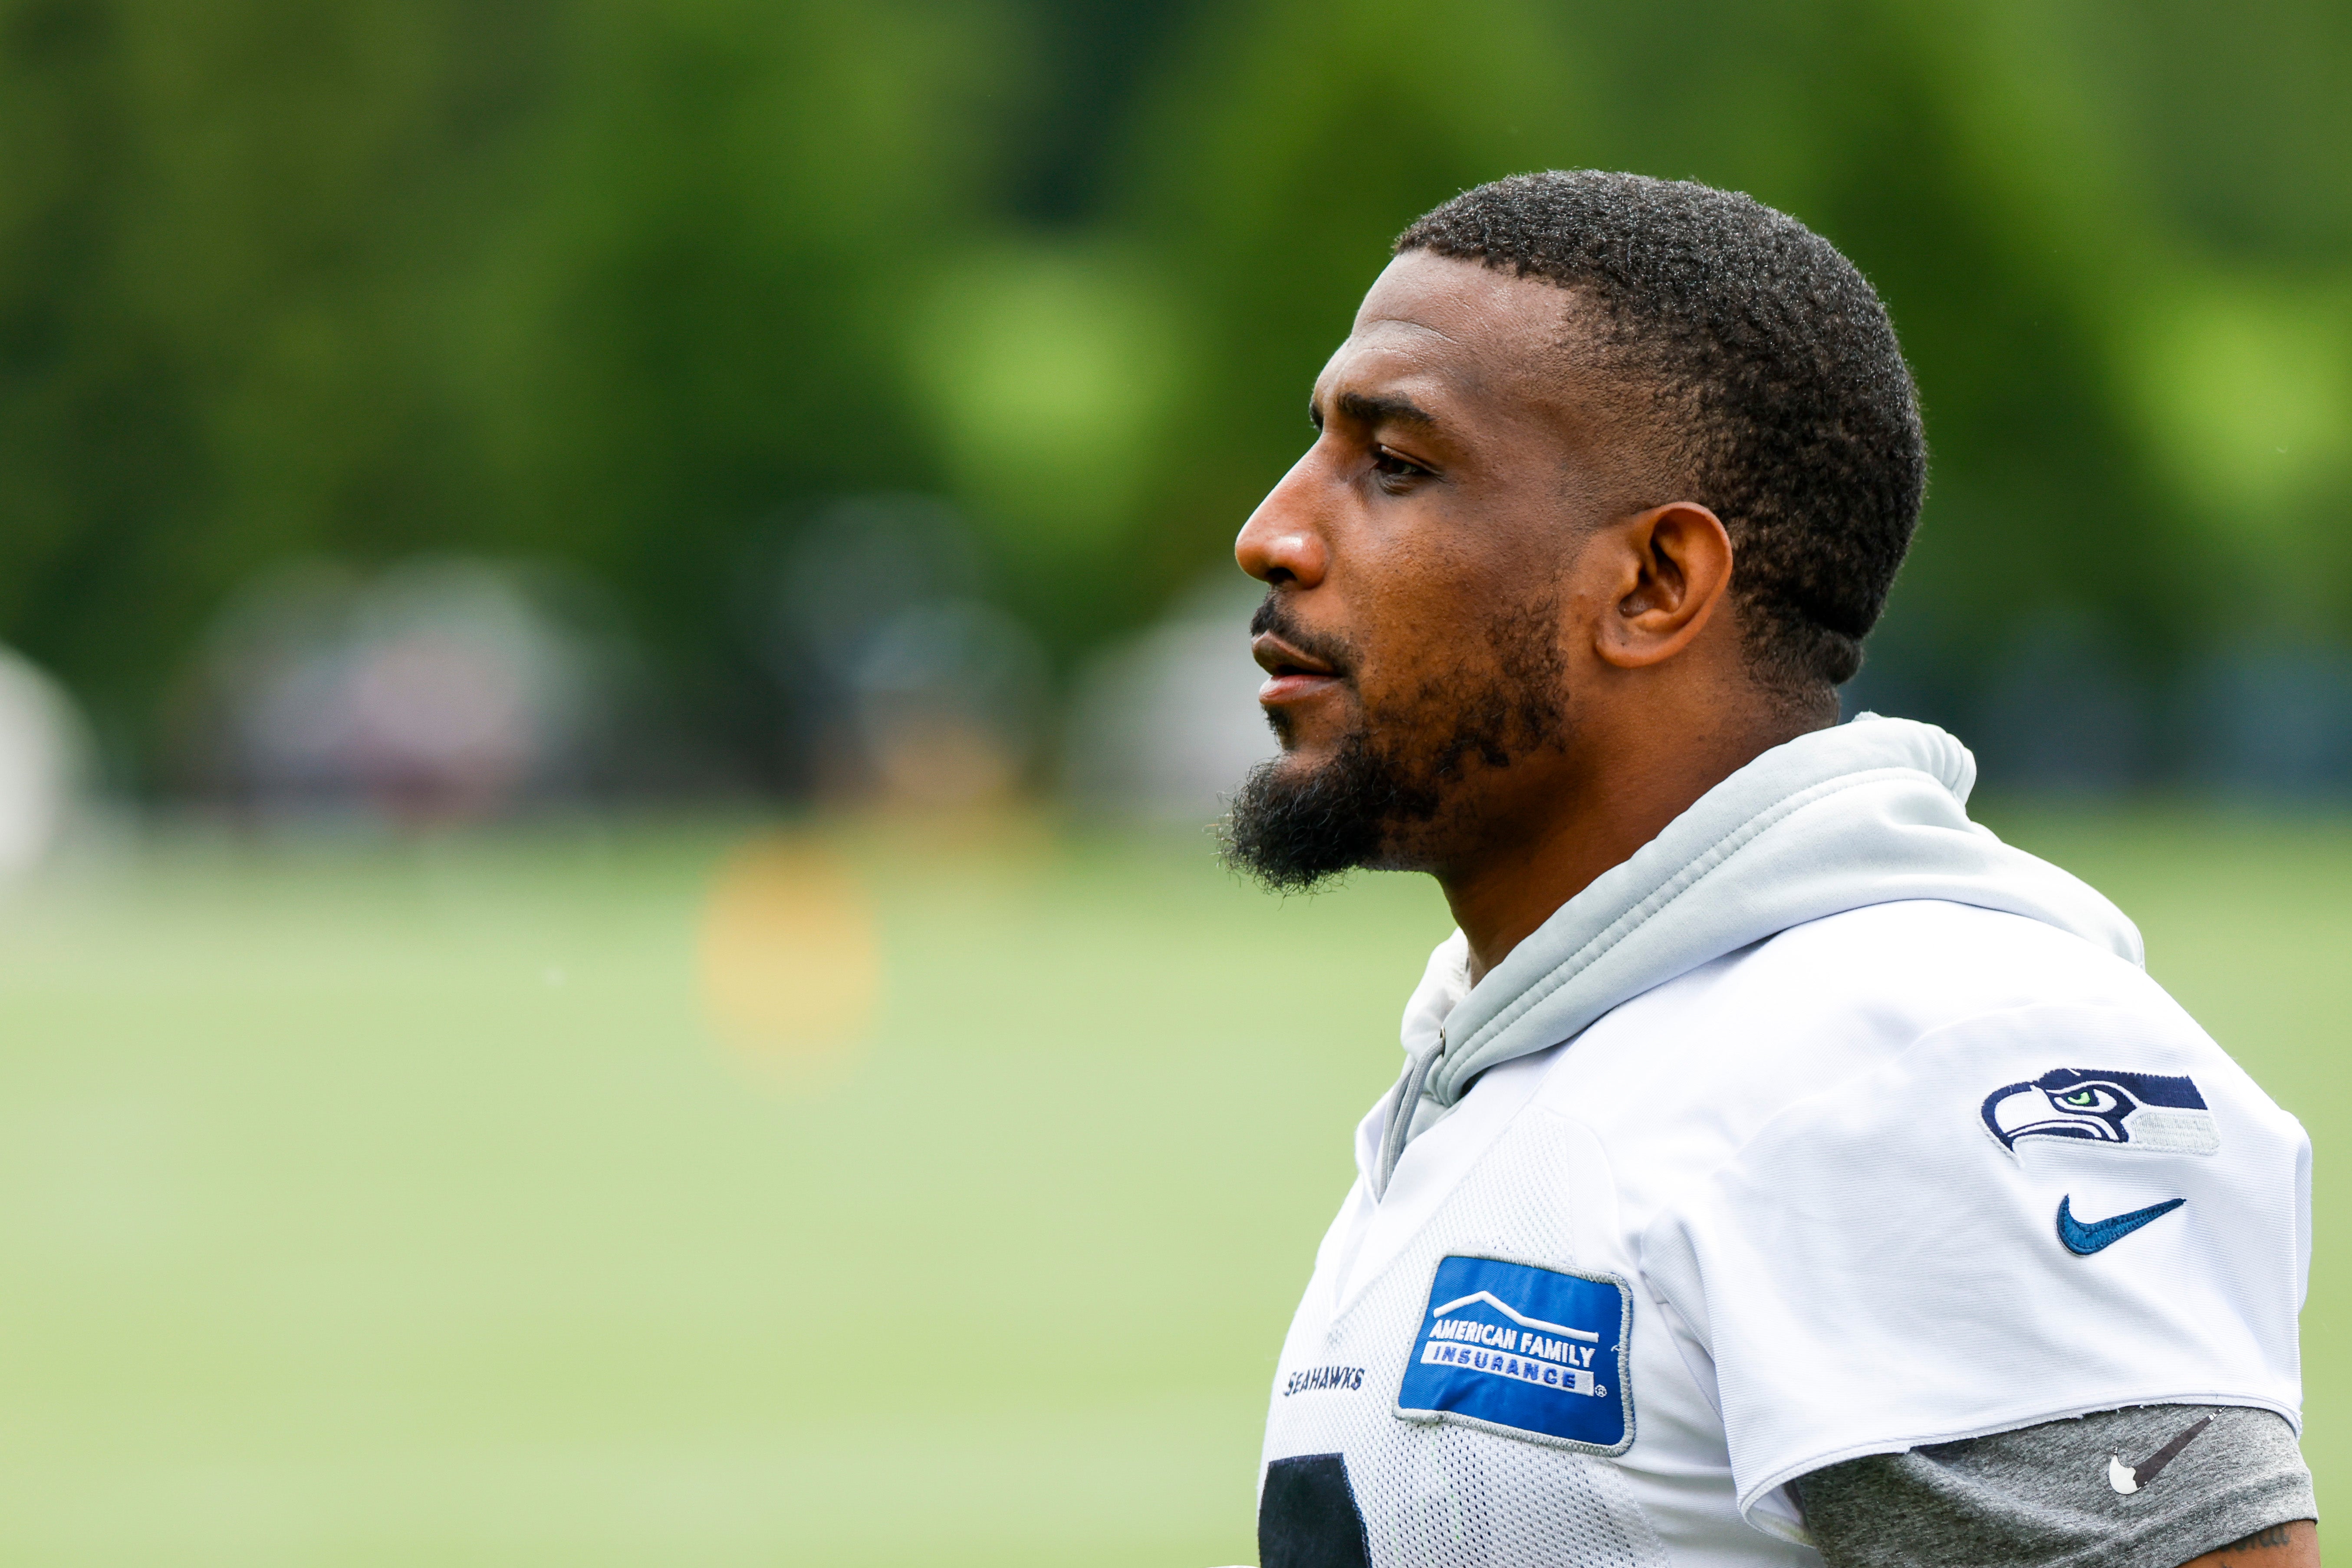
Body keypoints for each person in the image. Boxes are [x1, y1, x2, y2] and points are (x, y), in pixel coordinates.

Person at [1222, 171, 2316, 1568]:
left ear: (1654, 584)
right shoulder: (1534, 1043)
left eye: (1397, 462)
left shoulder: (1912, 1051)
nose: (1273, 532)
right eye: (1315, 447)